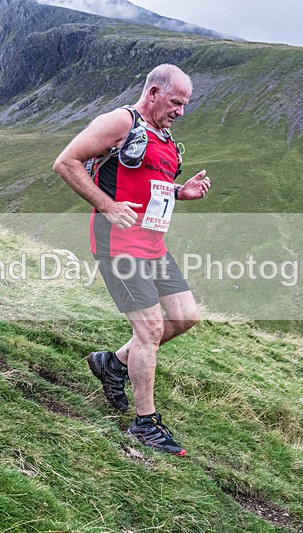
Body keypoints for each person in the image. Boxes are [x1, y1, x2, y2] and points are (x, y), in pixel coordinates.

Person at [53, 64, 211, 456]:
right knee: (150, 329)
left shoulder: (166, 138)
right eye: (176, 102)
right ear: (154, 93)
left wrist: (180, 192)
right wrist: (106, 207)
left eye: (185, 105)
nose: (180, 111)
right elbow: (66, 162)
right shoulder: (121, 121)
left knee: (186, 316)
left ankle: (113, 364)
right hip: (118, 244)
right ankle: (145, 423)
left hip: (153, 245)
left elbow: (149, 185)